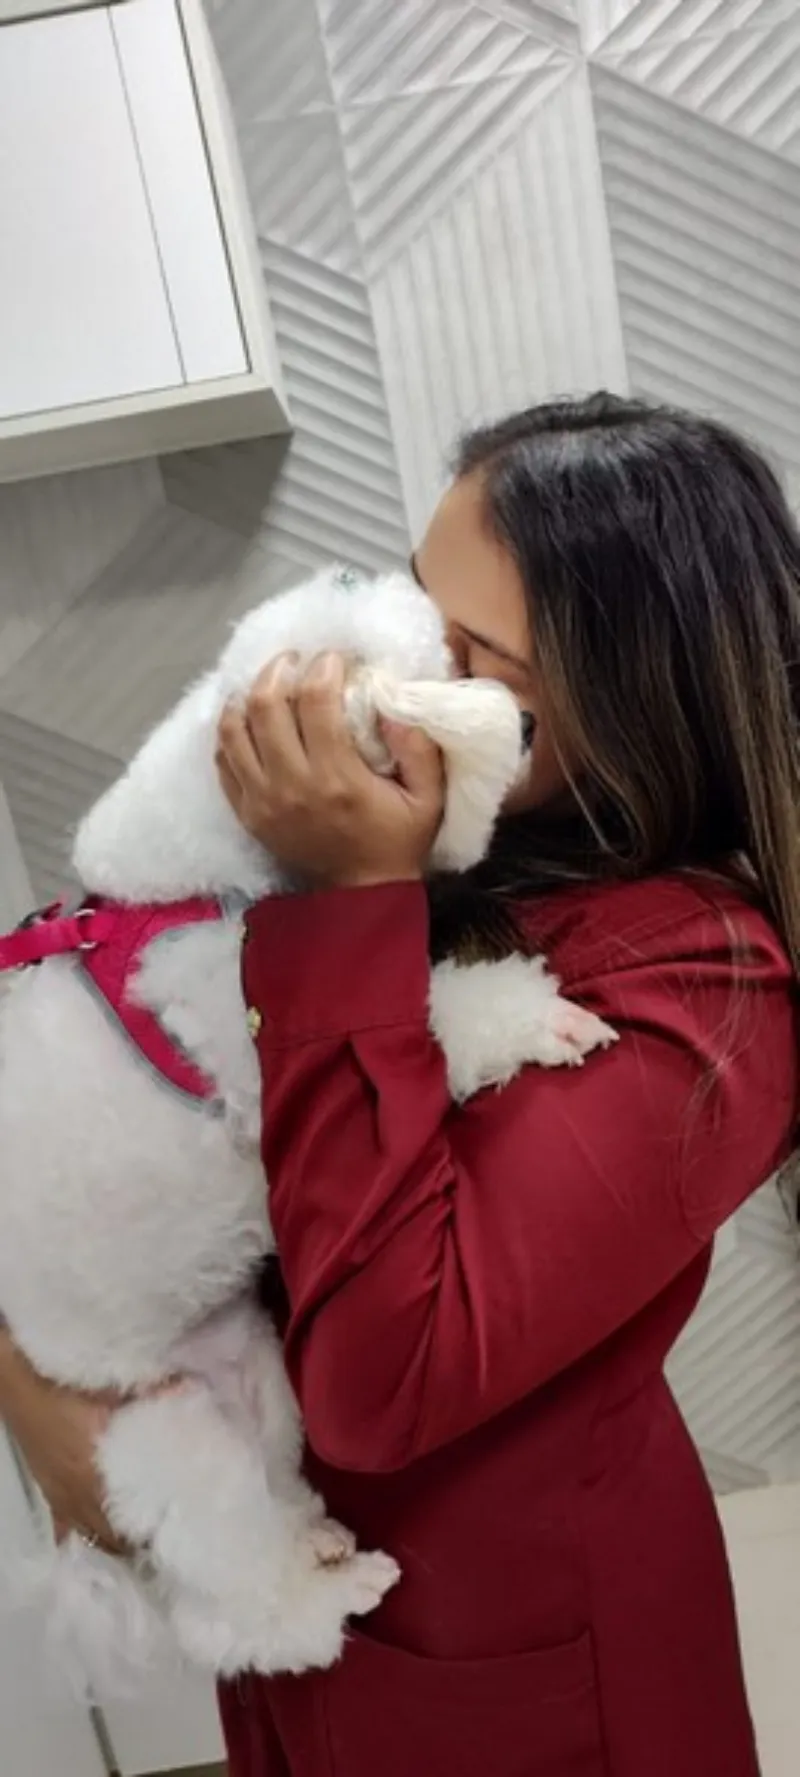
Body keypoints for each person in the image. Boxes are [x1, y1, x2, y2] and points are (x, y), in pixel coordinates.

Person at [1, 394, 798, 1777]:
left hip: (524, 1670)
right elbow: (92, 1132)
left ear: (630, 701)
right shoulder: (443, 844)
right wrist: (25, 1381)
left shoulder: (708, 988)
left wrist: (352, 898)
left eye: (480, 659)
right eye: (420, 600)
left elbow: (384, 1376)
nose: (410, 664)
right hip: (319, 1625)